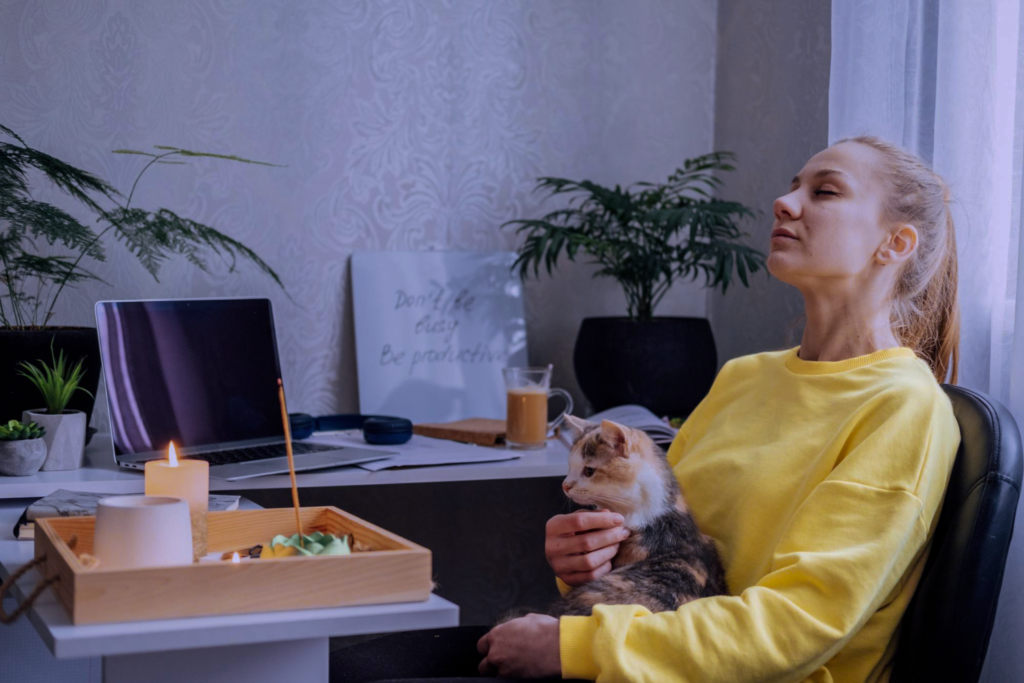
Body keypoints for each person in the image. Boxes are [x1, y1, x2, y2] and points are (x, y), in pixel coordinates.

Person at [332, 135, 962, 683]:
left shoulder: (902, 409)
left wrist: (575, 645)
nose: (785, 201)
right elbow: (663, 545)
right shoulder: (746, 377)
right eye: (791, 185)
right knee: (344, 665)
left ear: (895, 243)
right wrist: (590, 556)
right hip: (649, 652)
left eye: (825, 191)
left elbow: (797, 629)